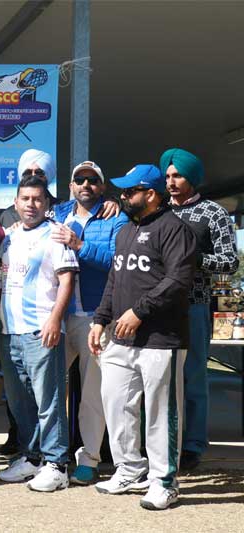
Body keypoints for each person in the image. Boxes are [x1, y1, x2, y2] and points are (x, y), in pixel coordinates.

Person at [90, 164, 197, 510]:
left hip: (161, 338)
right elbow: (114, 279)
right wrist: (100, 319)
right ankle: (129, 469)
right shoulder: (125, 231)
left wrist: (138, 312)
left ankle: (164, 482)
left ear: (151, 194)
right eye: (122, 191)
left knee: (161, 413)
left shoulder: (174, 228)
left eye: (129, 191)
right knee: (116, 404)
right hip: (120, 338)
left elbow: (178, 280)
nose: (122, 196)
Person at [0, 173, 78, 492]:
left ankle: (57, 465)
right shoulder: (8, 236)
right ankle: (32, 458)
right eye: (25, 199)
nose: (31, 204)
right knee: (20, 401)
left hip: (41, 329)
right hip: (10, 330)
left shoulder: (55, 234)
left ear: (46, 204)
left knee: (50, 400)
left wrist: (55, 320)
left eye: (38, 199)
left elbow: (67, 280)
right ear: (15, 203)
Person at [160, 148, 239, 472]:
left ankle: (193, 445)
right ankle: (163, 444)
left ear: (191, 177)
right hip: (157, 310)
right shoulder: (158, 210)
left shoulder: (213, 213)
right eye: (168, 176)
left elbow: (230, 262)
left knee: (193, 378)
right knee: (159, 382)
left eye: (177, 175)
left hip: (194, 306)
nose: (171, 182)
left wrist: (195, 259)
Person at [51, 160, 128, 485]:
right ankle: (49, 457)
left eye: (93, 180)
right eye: (79, 180)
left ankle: (89, 459)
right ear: (71, 186)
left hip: (96, 318)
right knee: (49, 391)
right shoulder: (57, 214)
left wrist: (79, 245)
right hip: (59, 317)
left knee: (93, 395)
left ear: (102, 187)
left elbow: (118, 263)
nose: (86, 185)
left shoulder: (116, 218)